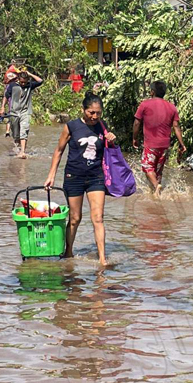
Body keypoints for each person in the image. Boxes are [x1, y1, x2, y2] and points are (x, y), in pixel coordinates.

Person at [44, 91, 116, 266]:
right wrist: (51, 175)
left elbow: (110, 151)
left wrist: (112, 141)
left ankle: (102, 259)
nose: (95, 116)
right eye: (91, 112)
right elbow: (59, 150)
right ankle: (68, 253)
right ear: (83, 110)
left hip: (96, 177)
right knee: (75, 218)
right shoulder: (71, 127)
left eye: (98, 113)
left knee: (98, 218)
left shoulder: (103, 126)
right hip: (73, 176)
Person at [133, 81, 186, 196]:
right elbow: (176, 127)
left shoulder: (144, 105)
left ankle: (157, 187)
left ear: (152, 92)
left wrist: (134, 138)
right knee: (158, 171)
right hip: (164, 145)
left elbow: (137, 123)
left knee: (147, 167)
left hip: (151, 144)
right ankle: (157, 195)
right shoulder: (171, 107)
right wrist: (182, 144)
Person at [0, 70, 44, 159]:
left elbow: (40, 81)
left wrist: (30, 74)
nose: (23, 84)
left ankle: (22, 151)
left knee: (24, 131)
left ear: (27, 80)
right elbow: (6, 96)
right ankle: (18, 149)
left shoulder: (30, 85)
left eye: (25, 82)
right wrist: (2, 107)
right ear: (18, 80)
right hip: (14, 113)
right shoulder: (13, 86)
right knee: (16, 135)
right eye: (21, 82)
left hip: (25, 112)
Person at [0, 65, 18, 137]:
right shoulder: (11, 85)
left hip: (12, 102)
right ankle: (9, 132)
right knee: (11, 118)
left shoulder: (9, 84)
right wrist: (2, 107)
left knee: (10, 118)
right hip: (13, 102)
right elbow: (6, 96)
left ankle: (7, 132)